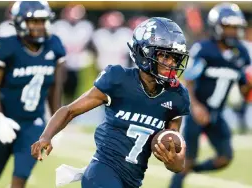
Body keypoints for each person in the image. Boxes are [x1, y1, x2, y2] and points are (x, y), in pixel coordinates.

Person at [31, 17, 190, 188]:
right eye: (164, 56)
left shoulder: (176, 96)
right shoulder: (118, 79)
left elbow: (177, 161)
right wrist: (46, 136)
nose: (171, 63)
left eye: (175, 58)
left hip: (132, 181)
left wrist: (173, 161)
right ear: (144, 52)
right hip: (102, 171)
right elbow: (70, 110)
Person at [169, 3, 252, 188]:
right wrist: (195, 106)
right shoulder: (204, 49)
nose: (232, 32)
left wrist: (248, 86)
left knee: (224, 158)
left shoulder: (242, 53)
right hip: (196, 113)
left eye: (235, 27)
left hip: (217, 114)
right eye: (228, 27)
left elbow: (243, 90)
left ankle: (193, 169)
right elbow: (188, 80)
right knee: (185, 161)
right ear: (217, 27)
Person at [0, 1, 66, 188]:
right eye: (34, 21)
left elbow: (56, 88)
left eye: (42, 21)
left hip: (33, 123)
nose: (39, 26)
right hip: (6, 120)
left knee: (21, 176)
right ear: (19, 22)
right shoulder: (5, 46)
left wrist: (57, 123)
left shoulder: (54, 45)